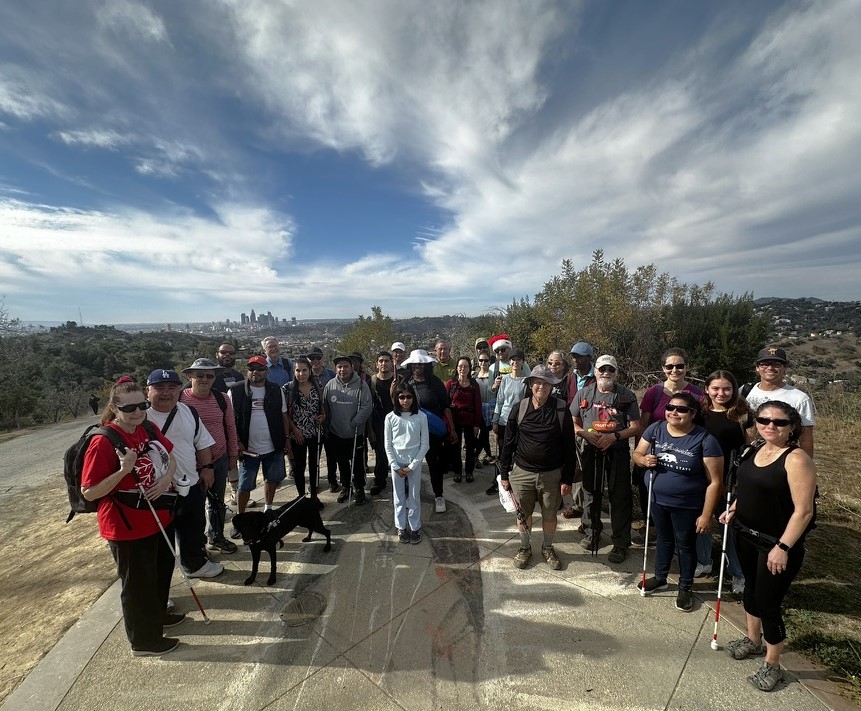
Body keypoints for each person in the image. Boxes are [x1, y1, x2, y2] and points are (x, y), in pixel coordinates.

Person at [720, 401, 817, 692]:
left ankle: (773, 664)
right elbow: (748, 485)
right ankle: (752, 640)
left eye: (779, 422)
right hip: (745, 534)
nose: (770, 426)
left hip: (775, 543)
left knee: (768, 602)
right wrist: (735, 508)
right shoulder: (754, 448)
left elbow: (804, 511)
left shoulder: (796, 459)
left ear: (792, 427)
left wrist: (783, 547)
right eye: (764, 420)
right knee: (750, 588)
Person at [80, 377, 180, 656]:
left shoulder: (147, 427)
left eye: (142, 405)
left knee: (160, 572)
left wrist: (166, 480)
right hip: (126, 525)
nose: (137, 412)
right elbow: (89, 492)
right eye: (129, 408)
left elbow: (170, 456)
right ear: (114, 408)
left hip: (157, 515)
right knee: (138, 585)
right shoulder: (103, 441)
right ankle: (143, 641)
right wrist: (124, 470)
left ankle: (158, 618)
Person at [633, 392, 723, 611]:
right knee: (663, 540)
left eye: (681, 409)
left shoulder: (704, 440)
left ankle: (685, 587)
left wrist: (706, 514)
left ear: (692, 413)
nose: (674, 412)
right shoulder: (655, 429)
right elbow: (636, 453)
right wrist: (644, 461)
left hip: (687, 503)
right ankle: (661, 578)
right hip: (657, 498)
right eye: (671, 407)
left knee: (685, 544)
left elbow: (715, 482)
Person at [498, 365, 577, 570]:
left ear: (552, 386)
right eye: (538, 382)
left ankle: (547, 546)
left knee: (550, 515)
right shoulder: (520, 407)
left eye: (546, 383)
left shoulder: (561, 409)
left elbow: (569, 446)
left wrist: (567, 479)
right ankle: (525, 547)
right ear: (531, 384)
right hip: (522, 473)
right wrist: (504, 474)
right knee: (523, 514)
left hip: (552, 475)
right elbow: (508, 443)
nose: (541, 386)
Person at [146, 369, 223, 579]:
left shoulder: (188, 412)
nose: (166, 393)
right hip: (155, 491)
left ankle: (195, 565)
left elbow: (202, 443)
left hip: (189, 482)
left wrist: (207, 468)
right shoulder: (139, 416)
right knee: (160, 541)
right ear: (147, 391)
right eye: (159, 388)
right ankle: (160, 590)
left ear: (180, 389)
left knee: (193, 528)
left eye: (172, 388)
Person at [572, 355, 641, 564]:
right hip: (590, 448)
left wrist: (615, 436)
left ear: (617, 373)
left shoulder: (626, 395)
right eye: (602, 369)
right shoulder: (584, 393)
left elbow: (636, 426)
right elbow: (573, 421)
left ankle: (621, 542)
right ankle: (591, 532)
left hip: (617, 449)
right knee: (590, 491)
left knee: (619, 496)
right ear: (595, 372)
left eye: (611, 370)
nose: (606, 373)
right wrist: (584, 434)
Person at [636, 348, 704, 544]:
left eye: (680, 366)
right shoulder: (653, 393)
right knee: (648, 491)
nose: (675, 370)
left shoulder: (698, 394)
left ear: (687, 367)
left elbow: (700, 425)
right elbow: (644, 424)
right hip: (655, 453)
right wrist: (640, 455)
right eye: (670, 366)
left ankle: (678, 535)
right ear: (663, 368)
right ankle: (654, 530)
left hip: (685, 452)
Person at [701, 370, 753, 594]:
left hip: (731, 477)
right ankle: (703, 562)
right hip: (702, 476)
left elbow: (751, 447)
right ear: (707, 390)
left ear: (734, 390)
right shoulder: (699, 413)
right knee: (701, 521)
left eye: (726, 389)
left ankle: (738, 572)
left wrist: (743, 477)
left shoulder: (742, 414)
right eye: (716, 388)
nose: (721, 393)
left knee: (729, 526)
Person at [179, 358, 239, 554]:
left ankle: (217, 537)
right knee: (194, 506)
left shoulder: (222, 399)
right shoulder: (180, 399)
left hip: (219, 457)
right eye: (199, 375)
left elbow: (230, 427)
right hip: (190, 463)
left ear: (215, 378)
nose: (204, 379)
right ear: (190, 376)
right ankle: (197, 546)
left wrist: (232, 455)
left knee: (217, 502)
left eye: (209, 375)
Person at [228, 355, 290, 534]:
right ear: (247, 370)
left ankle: (268, 509)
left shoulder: (275, 390)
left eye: (260, 368)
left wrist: (286, 439)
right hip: (248, 449)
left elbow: (283, 415)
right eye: (252, 368)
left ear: (266, 371)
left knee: (272, 480)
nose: (256, 372)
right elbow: (231, 420)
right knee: (244, 486)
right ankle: (240, 520)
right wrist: (237, 442)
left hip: (273, 446)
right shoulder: (237, 390)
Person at [402, 349, 456, 513]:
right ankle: (410, 496)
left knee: (435, 464)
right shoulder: (405, 384)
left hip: (431, 431)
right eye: (415, 364)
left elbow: (446, 407)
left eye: (421, 364)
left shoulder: (435, 383)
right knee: (411, 465)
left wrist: (452, 429)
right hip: (411, 431)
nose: (418, 367)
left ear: (426, 365)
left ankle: (438, 495)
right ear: (410, 365)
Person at [744, 346, 815, 458]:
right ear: (757, 368)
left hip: (782, 457)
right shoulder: (744, 391)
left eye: (777, 364)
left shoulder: (799, 398)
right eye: (764, 364)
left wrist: (806, 465)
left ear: (785, 367)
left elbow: (805, 437)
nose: (770, 368)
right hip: (749, 455)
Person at [322, 355, 373, 505]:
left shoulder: (362, 385)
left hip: (355, 433)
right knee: (342, 462)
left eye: (345, 366)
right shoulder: (330, 385)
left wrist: (355, 422)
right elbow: (325, 407)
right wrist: (326, 426)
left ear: (352, 368)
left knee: (357, 463)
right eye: (339, 367)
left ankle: (359, 488)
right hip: (336, 433)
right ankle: (346, 487)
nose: (342, 369)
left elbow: (367, 407)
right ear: (335, 369)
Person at [384, 382, 430, 544]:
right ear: (396, 398)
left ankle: (415, 526)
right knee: (398, 497)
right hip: (396, 463)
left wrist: (412, 466)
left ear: (413, 397)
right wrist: (395, 465)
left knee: (414, 496)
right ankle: (401, 526)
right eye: (401, 397)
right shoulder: (390, 418)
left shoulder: (421, 417)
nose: (405, 400)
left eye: (408, 396)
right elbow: (388, 444)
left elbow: (425, 444)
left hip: (414, 464)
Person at [283, 357, 325, 506]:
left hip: (314, 433)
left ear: (310, 370)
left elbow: (321, 407)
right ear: (293, 371)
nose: (301, 374)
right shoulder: (287, 389)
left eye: (304, 370)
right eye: (298, 370)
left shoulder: (316, 386)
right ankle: (301, 498)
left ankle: (314, 496)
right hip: (297, 436)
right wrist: (295, 430)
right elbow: (285, 414)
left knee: (314, 466)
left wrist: (323, 416)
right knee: (299, 468)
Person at [487, 349, 527, 495]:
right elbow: (500, 401)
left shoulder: (526, 381)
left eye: (518, 359)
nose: (515, 362)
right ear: (509, 362)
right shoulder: (505, 380)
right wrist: (495, 420)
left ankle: (517, 482)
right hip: (504, 420)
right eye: (512, 360)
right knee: (504, 452)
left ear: (523, 362)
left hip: (520, 422)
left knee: (519, 453)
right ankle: (499, 480)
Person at [563, 342, 595, 518]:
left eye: (579, 356)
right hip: (573, 427)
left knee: (587, 468)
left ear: (589, 358)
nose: (575, 360)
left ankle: (587, 508)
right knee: (575, 467)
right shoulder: (571, 378)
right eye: (573, 356)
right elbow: (568, 400)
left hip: (592, 429)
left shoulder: (597, 377)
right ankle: (578, 505)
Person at [445, 356, 482, 483]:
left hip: (470, 420)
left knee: (470, 447)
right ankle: (457, 472)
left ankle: (469, 472)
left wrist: (477, 424)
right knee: (455, 446)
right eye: (460, 366)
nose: (463, 369)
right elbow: (446, 403)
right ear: (456, 368)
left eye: (466, 366)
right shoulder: (451, 384)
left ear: (469, 368)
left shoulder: (474, 385)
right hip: (455, 420)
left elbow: (478, 405)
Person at [369, 351, 396, 495]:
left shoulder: (398, 380)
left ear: (392, 363)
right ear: (376, 364)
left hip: (396, 423)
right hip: (378, 423)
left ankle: (401, 480)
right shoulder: (371, 382)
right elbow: (367, 407)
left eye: (386, 361)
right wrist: (369, 429)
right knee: (380, 453)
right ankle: (380, 480)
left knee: (398, 452)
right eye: (381, 361)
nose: (383, 364)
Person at [474, 351, 496, 467]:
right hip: (478, 408)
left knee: (484, 433)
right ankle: (486, 455)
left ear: (489, 361)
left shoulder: (493, 376)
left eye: (486, 360)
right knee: (484, 434)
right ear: (478, 362)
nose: (483, 362)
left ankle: (476, 455)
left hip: (490, 408)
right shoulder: (474, 376)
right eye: (481, 360)